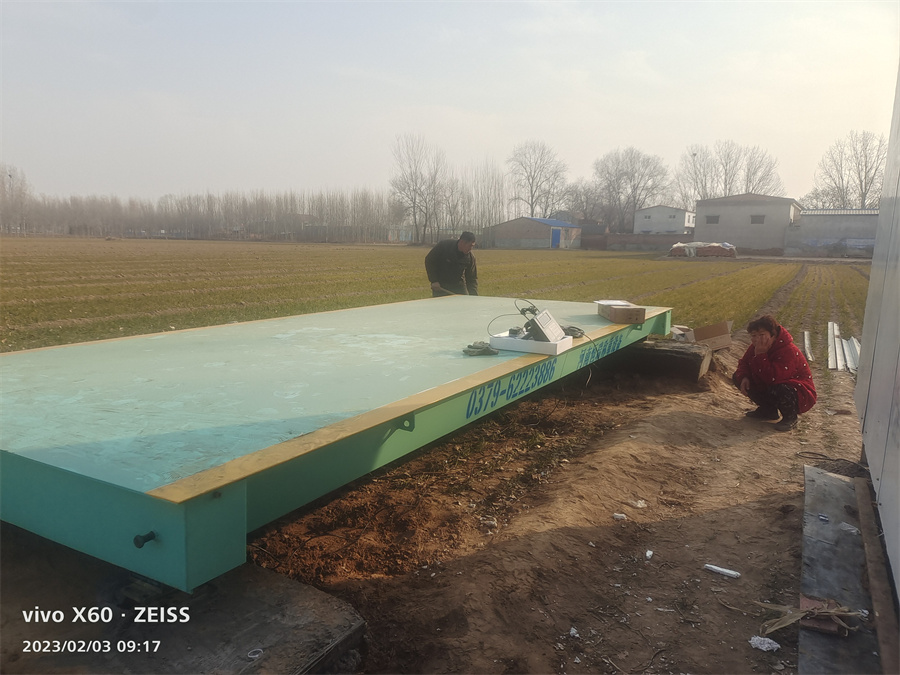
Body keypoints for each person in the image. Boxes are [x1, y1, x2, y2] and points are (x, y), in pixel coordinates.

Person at [732, 314, 816, 432]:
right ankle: (768, 410)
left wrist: (761, 355)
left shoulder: (787, 350)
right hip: (770, 383)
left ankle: (790, 417)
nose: (757, 339)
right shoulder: (755, 347)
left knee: (779, 388)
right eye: (754, 336)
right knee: (738, 377)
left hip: (798, 390)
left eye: (762, 335)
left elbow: (773, 377)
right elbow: (744, 363)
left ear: (774, 335)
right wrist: (744, 377)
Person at [424, 231, 478, 297]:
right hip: (441, 285)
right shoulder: (444, 246)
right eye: (470, 246)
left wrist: (474, 296)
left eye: (472, 246)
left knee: (464, 302)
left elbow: (472, 278)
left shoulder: (470, 257)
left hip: (459, 285)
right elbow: (429, 260)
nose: (471, 249)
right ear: (462, 242)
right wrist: (434, 280)